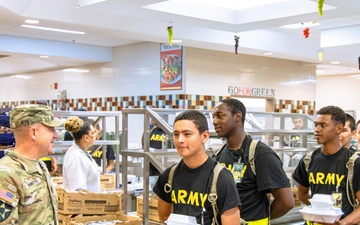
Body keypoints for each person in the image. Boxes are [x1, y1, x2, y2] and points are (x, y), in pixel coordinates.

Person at [212, 98, 294, 224]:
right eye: (213, 117)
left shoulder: (261, 154)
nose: (215, 121)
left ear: (238, 116)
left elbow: (286, 202)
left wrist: (261, 218)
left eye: (220, 116)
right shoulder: (219, 154)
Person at [153, 110, 241, 225]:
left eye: (187, 134)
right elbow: (164, 217)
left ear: (204, 136)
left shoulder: (221, 178)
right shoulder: (169, 176)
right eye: (176, 134)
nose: (180, 140)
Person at [292, 105, 360, 225]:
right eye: (316, 125)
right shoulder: (308, 160)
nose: (317, 129)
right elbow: (302, 193)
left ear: (339, 129)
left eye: (323, 125)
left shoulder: (353, 162)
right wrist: (320, 212)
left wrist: (343, 222)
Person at [0, 104, 63, 224]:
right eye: (51, 129)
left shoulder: (39, 165)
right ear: (33, 133)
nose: (55, 135)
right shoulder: (6, 175)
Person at [62, 116, 100, 192]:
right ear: (86, 138)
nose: (95, 135)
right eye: (92, 133)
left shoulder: (81, 153)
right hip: (83, 201)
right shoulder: (76, 158)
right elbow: (78, 190)